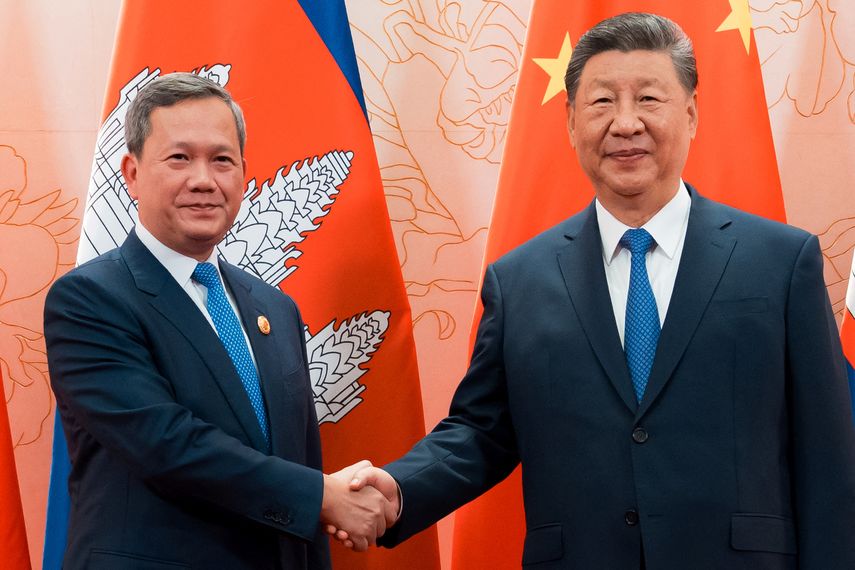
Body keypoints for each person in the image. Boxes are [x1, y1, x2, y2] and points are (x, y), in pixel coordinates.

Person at [336, 12, 855, 569]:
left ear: (691, 113)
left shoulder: (779, 261)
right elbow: (481, 432)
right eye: (602, 102)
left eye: (649, 99)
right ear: (570, 122)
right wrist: (398, 489)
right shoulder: (520, 281)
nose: (625, 123)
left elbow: (827, 456)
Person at [44, 73, 393, 570]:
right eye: (179, 158)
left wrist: (321, 504)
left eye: (222, 160)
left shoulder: (275, 308)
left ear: (244, 175)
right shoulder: (89, 299)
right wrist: (321, 496)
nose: (204, 179)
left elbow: (298, 458)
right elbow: (167, 443)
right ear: (132, 173)